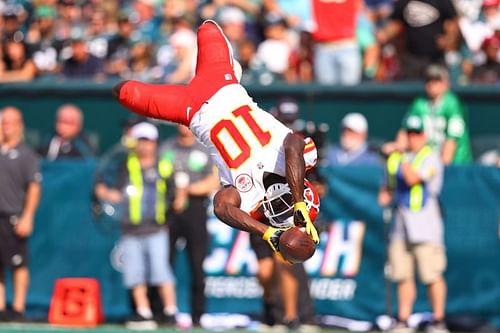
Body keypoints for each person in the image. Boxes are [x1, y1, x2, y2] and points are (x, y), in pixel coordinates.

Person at [112, 20, 320, 260]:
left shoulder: (249, 198)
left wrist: (267, 233)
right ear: (302, 188)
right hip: (222, 83)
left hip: (191, 111)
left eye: (282, 208)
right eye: (288, 203)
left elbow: (220, 207)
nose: (280, 202)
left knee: (124, 91)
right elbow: (293, 145)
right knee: (208, 27)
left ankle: (226, 69)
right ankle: (226, 69)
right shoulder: (300, 159)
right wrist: (298, 204)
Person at [94, 122, 178, 329]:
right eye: (141, 141)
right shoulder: (125, 165)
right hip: (130, 228)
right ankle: (143, 312)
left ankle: (170, 311)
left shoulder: (164, 166)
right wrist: (106, 193)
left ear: (155, 143)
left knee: (161, 271)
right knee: (135, 272)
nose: (145, 146)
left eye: (148, 141)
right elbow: (105, 186)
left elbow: (173, 194)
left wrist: (171, 211)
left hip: (156, 228)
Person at [378, 116, 448, 333]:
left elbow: (412, 178)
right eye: (409, 133)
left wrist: (401, 153)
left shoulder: (431, 158)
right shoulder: (398, 158)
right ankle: (403, 319)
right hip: (401, 225)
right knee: (402, 275)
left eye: (416, 133)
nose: (412, 138)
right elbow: (387, 188)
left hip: (425, 227)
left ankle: (438, 320)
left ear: (424, 136)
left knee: (432, 275)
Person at [159, 125, 220, 327]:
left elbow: (214, 181)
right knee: (164, 262)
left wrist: (187, 191)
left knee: (196, 263)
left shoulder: (204, 149)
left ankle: (197, 315)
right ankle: (162, 311)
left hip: (195, 210)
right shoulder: (166, 148)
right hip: (169, 210)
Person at [382, 65, 472, 165]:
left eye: (436, 80)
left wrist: (442, 165)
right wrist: (398, 147)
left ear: (446, 83)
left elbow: (452, 140)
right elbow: (406, 131)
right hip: (428, 162)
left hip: (455, 164)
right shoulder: (419, 104)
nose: (432, 84)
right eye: (429, 80)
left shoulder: (452, 104)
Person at [0, 107, 42, 322]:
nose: (6, 126)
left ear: (19, 125)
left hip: (14, 215)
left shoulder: (26, 154)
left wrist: (27, 216)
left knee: (18, 264)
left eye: (10, 122)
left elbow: (34, 187)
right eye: (3, 122)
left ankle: (18, 307)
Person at [376, 0, 459, 80]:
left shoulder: (442, 1)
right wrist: (384, 34)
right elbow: (395, 23)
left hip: (435, 57)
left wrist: (447, 39)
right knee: (411, 90)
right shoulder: (404, 2)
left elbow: (452, 22)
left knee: (435, 88)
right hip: (411, 58)